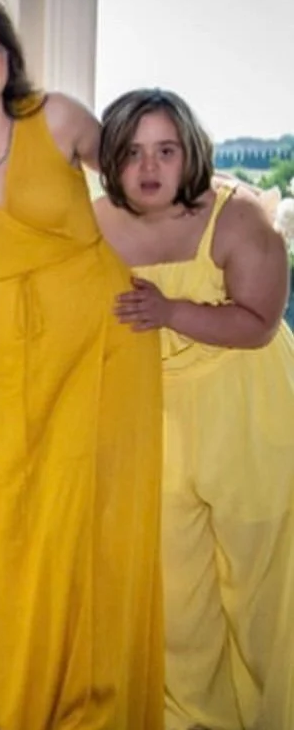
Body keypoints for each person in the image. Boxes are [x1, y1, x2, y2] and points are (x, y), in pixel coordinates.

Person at [0, 0, 164, 730]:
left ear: (9, 57)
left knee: (95, 523)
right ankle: (22, 699)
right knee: (15, 520)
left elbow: (143, 172)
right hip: (11, 353)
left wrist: (212, 213)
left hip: (105, 337)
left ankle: (99, 705)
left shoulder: (53, 117)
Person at [95, 87, 294, 730]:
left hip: (245, 408)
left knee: (263, 580)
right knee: (176, 592)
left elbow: (261, 322)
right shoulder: (95, 222)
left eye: (166, 151)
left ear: (191, 155)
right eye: (132, 153)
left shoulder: (238, 220)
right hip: (154, 418)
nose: (149, 169)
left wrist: (171, 311)